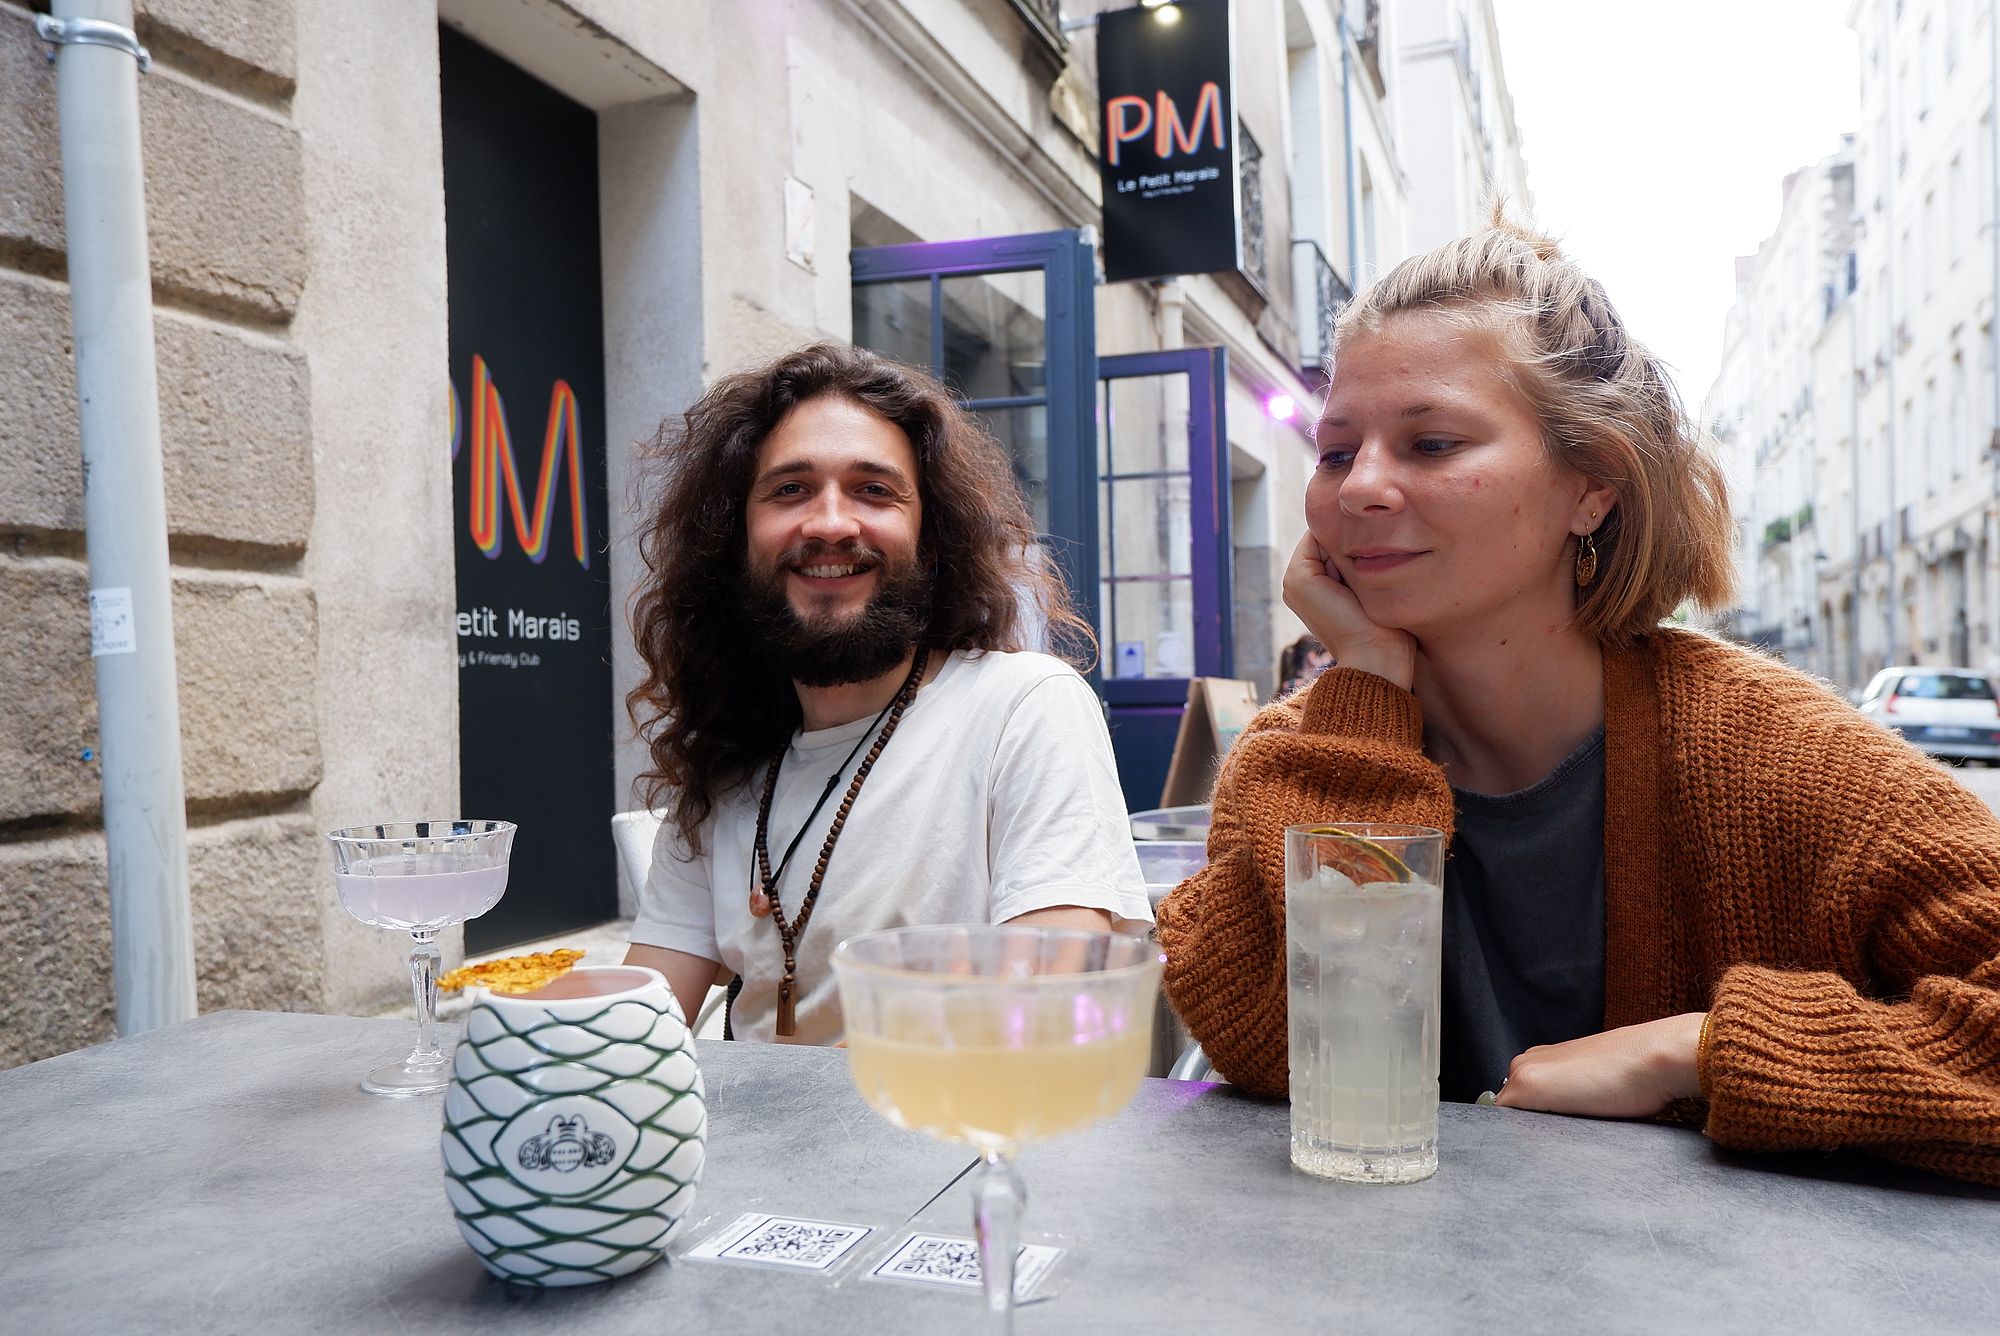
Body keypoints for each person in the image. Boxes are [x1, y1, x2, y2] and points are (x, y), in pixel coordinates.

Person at [1156, 214, 2000, 1186]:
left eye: (1429, 442)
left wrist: (1695, 1049)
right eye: (1337, 451)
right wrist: (1364, 686)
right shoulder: (1298, 753)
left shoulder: (1777, 755)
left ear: (1589, 488)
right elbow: (1267, 1050)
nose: (1361, 488)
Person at [623, 343, 1151, 1043]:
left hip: (954, 1143)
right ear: (735, 538)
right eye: (789, 489)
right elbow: (637, 1020)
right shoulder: (732, 759)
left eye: (874, 490)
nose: (831, 523)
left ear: (931, 537)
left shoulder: (1022, 708)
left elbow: (1053, 1021)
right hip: (745, 1147)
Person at [1276, 634, 1332, 699]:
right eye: (1328, 658)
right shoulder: (1296, 687)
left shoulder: (1292, 684)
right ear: (1312, 657)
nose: (1330, 663)